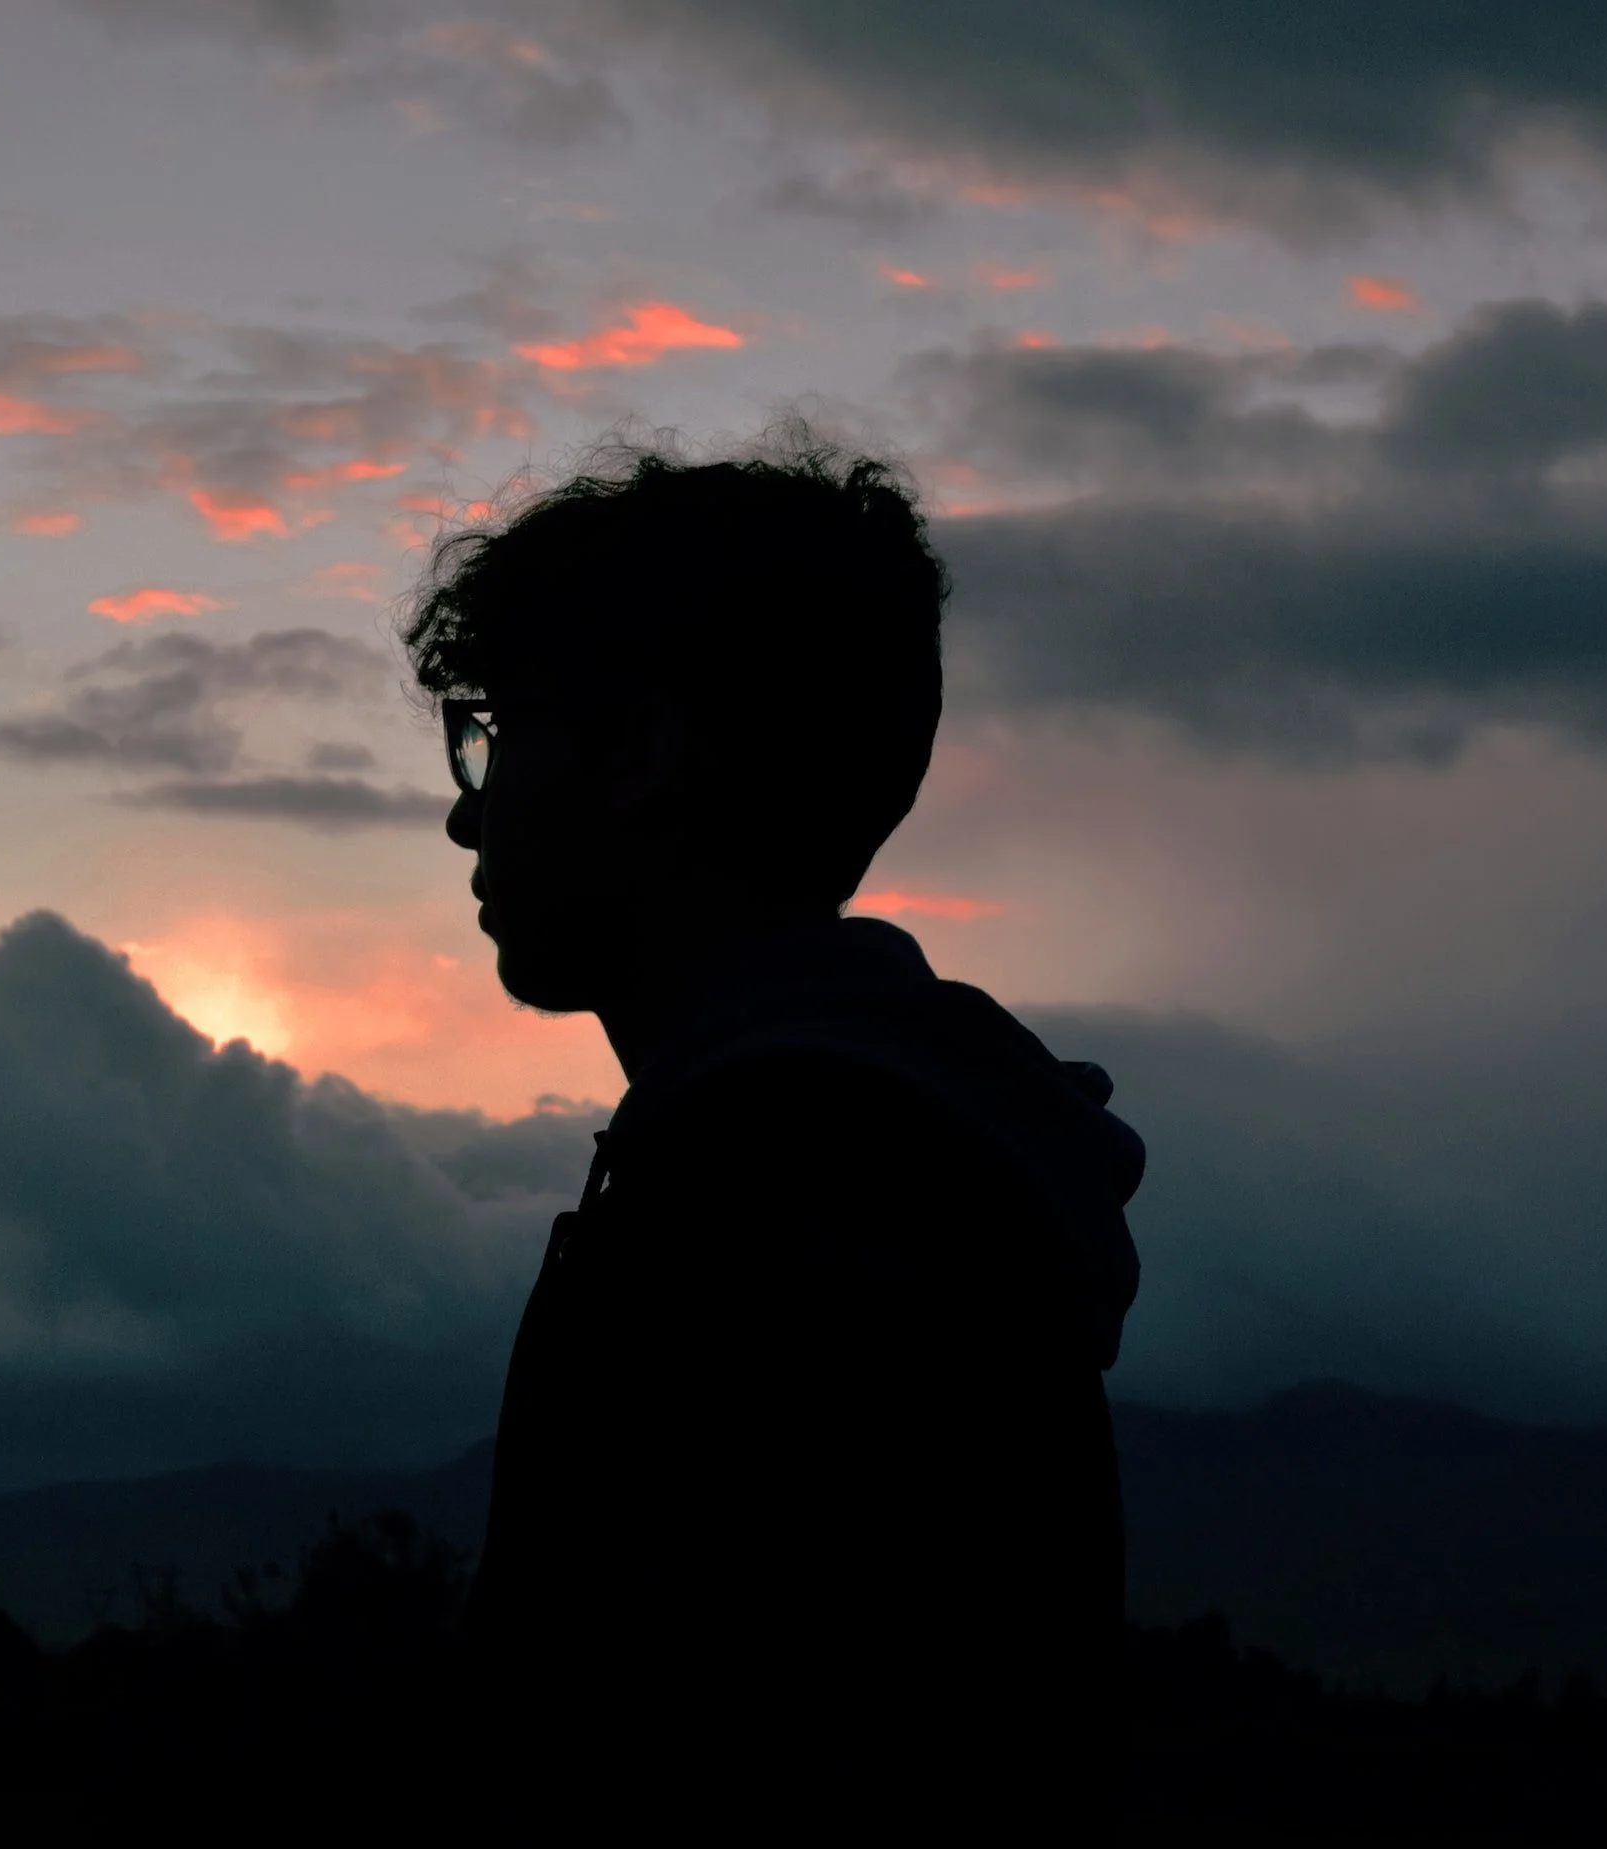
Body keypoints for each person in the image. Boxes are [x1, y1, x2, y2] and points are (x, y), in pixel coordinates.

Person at [408, 432, 1145, 1835]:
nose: (464, 807)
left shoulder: (764, 1216)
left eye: (498, 731)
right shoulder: (893, 1167)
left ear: (645, 754)